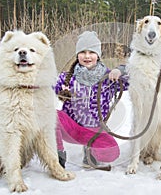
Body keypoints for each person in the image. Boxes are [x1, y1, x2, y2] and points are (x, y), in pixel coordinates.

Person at [54, 31, 129, 168]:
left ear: (98, 55)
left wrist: (121, 70)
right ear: (77, 55)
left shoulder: (109, 78)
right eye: (83, 52)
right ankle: (57, 156)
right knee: (51, 116)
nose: (87, 56)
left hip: (94, 130)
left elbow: (133, 78)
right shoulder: (66, 78)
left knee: (111, 153)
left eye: (92, 52)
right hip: (71, 128)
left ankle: (91, 154)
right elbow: (45, 85)